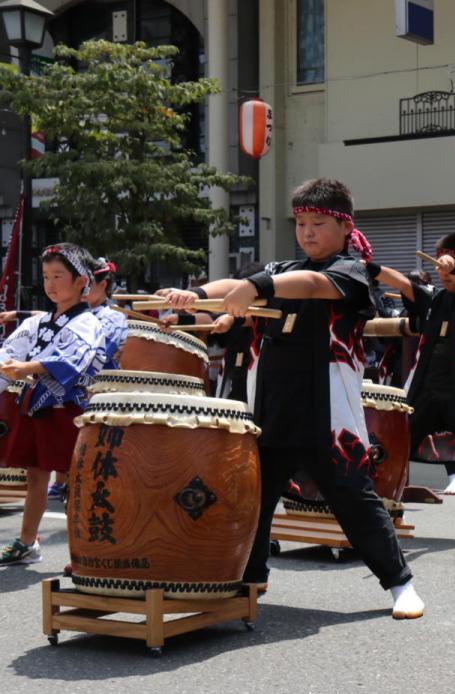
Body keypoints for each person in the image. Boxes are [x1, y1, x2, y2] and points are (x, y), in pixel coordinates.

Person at [159, 177, 423, 619]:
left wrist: (257, 286)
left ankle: (400, 584)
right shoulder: (281, 271)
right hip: (273, 408)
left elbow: (312, 285)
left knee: (354, 500)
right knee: (255, 496)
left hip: (328, 415)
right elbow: (235, 286)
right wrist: (199, 296)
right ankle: (252, 577)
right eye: (301, 223)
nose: (308, 232)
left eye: (318, 223)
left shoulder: (351, 272)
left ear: (344, 226)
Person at [0, 244, 105, 565]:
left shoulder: (88, 322)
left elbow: (72, 360)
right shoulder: (37, 322)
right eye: (46, 276)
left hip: (71, 412)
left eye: (59, 275)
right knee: (36, 476)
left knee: (78, 481)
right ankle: (28, 542)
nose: (51, 283)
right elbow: (8, 355)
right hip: (37, 408)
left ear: (80, 281)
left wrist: (27, 368)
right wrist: (11, 368)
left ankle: (87, 551)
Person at [370, 232, 455, 483]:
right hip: (426, 387)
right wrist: (367, 266)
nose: (442, 272)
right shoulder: (436, 299)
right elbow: (405, 285)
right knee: (395, 445)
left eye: (447, 266)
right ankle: (385, 501)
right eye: (439, 266)